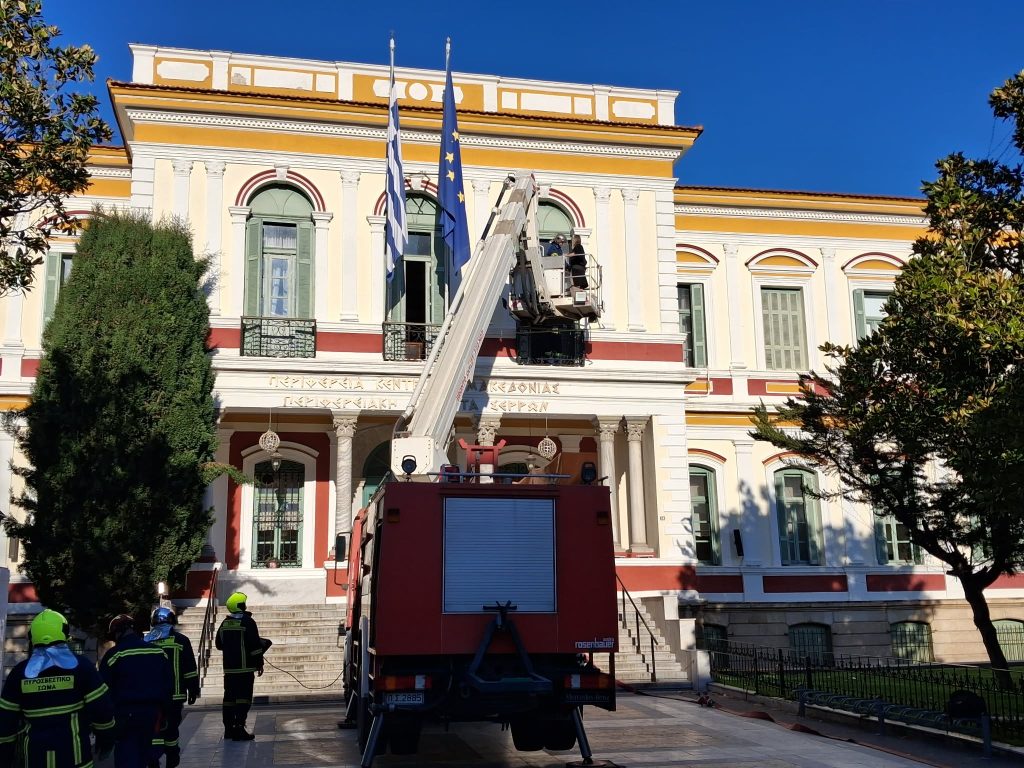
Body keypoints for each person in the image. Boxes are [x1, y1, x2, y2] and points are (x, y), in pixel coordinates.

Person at [0, 608, 116, 768]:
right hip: (75, 759)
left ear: (32, 637)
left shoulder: (19, 674)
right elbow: (102, 711)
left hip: (35, 760)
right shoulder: (82, 668)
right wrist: (107, 740)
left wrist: (5, 756)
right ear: (65, 633)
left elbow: (5, 722)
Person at [99, 614, 173, 768]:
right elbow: (168, 686)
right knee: (149, 755)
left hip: (125, 716)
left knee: (128, 757)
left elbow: (103, 691)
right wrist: (165, 713)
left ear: (118, 632)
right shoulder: (158, 652)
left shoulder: (114, 655)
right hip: (153, 713)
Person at [144, 607, 199, 768]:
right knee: (172, 727)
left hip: (152, 696)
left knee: (154, 727)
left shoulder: (146, 642)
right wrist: (193, 689)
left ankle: (153, 758)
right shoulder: (181, 640)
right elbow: (189, 668)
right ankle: (172, 755)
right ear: (172, 621)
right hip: (175, 695)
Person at [215, 592, 267, 741]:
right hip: (245, 669)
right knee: (244, 698)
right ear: (241, 606)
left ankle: (229, 730)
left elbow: (219, 644)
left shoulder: (225, 623)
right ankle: (239, 728)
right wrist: (259, 663)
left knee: (229, 699)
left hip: (230, 670)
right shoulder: (248, 622)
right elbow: (255, 646)